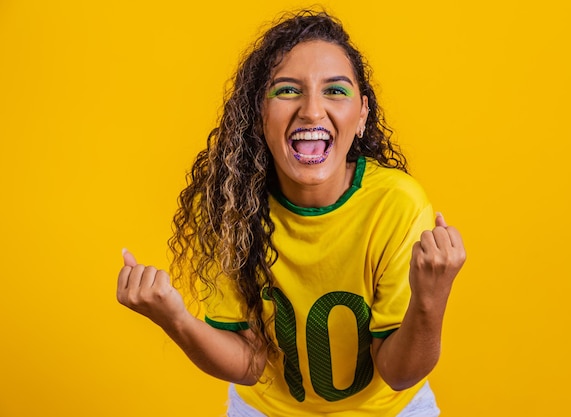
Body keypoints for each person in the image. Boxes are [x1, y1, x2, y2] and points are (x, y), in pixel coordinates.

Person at [117, 9, 466, 417]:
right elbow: (248, 364)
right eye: (287, 91)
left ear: (362, 115)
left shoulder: (397, 206)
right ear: (258, 114)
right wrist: (175, 319)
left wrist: (431, 297)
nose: (312, 111)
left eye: (335, 91)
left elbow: (398, 373)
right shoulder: (232, 205)